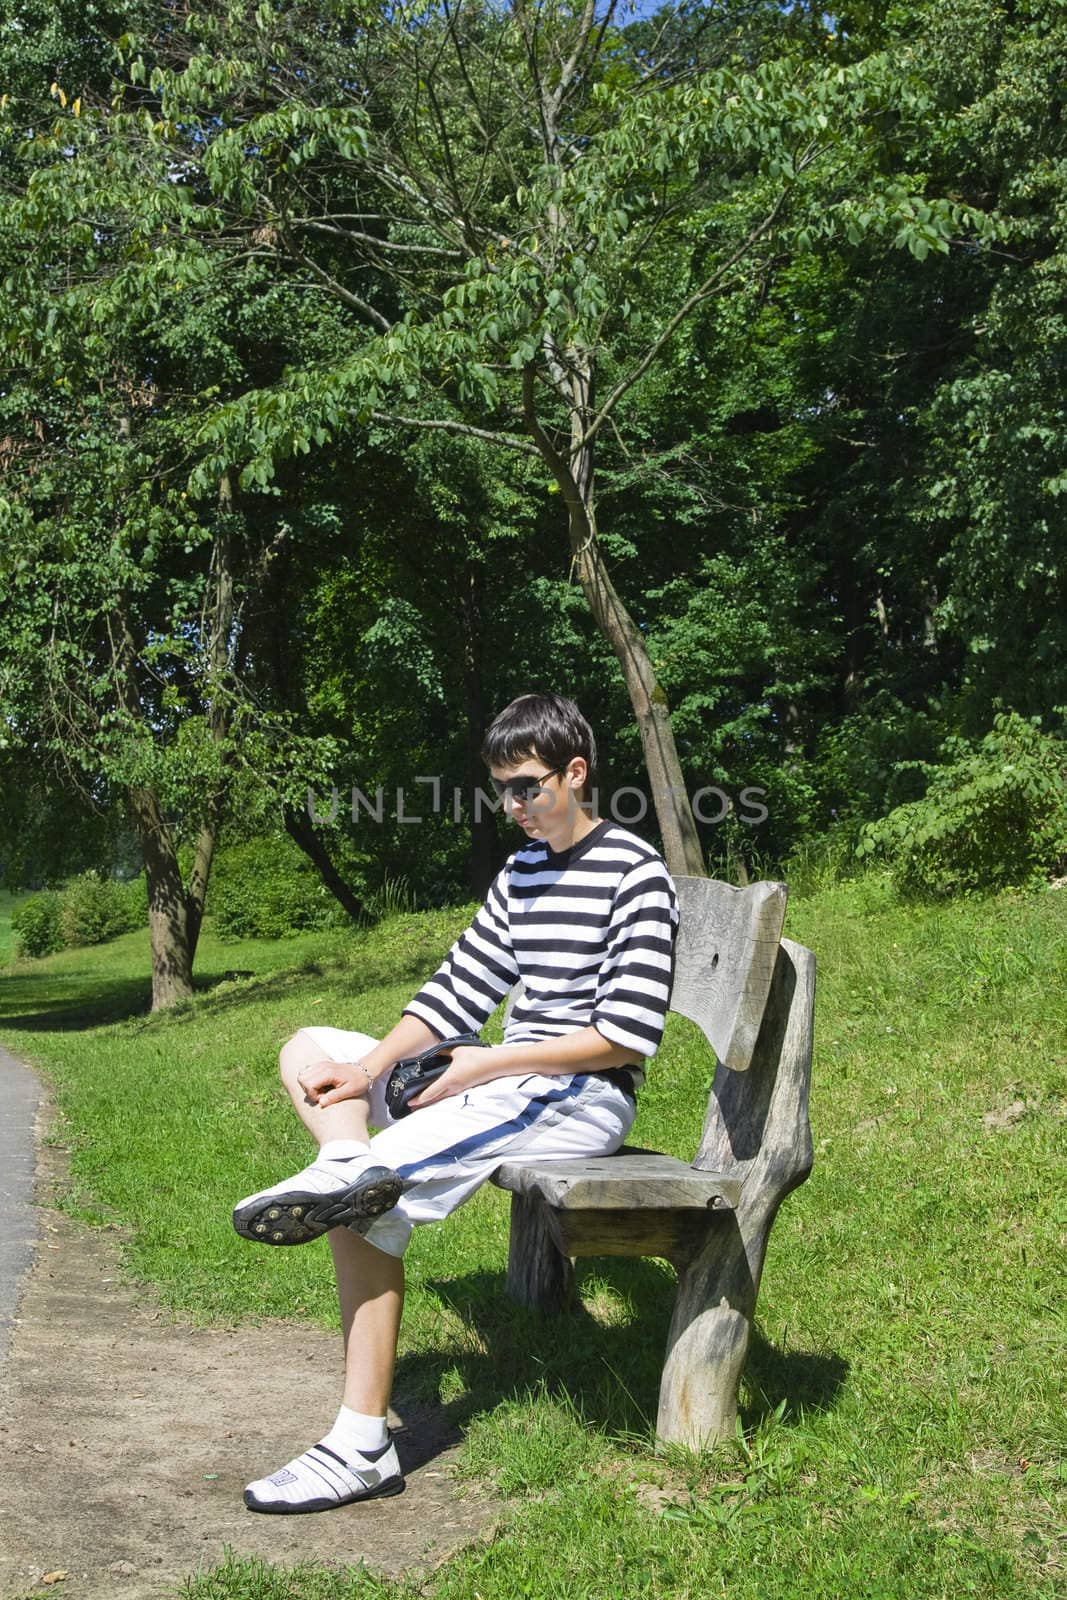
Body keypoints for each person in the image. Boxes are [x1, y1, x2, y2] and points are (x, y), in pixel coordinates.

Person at [233, 692, 679, 1514]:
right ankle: (342, 1160)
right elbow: (458, 989)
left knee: (365, 1200)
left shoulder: (635, 874)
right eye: (501, 790)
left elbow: (625, 1036)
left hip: (575, 1092)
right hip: (502, 1074)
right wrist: (367, 1070)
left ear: (574, 773)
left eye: (526, 787)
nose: (512, 806)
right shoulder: (523, 870)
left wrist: (484, 1066)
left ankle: (360, 1446)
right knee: (309, 1051)